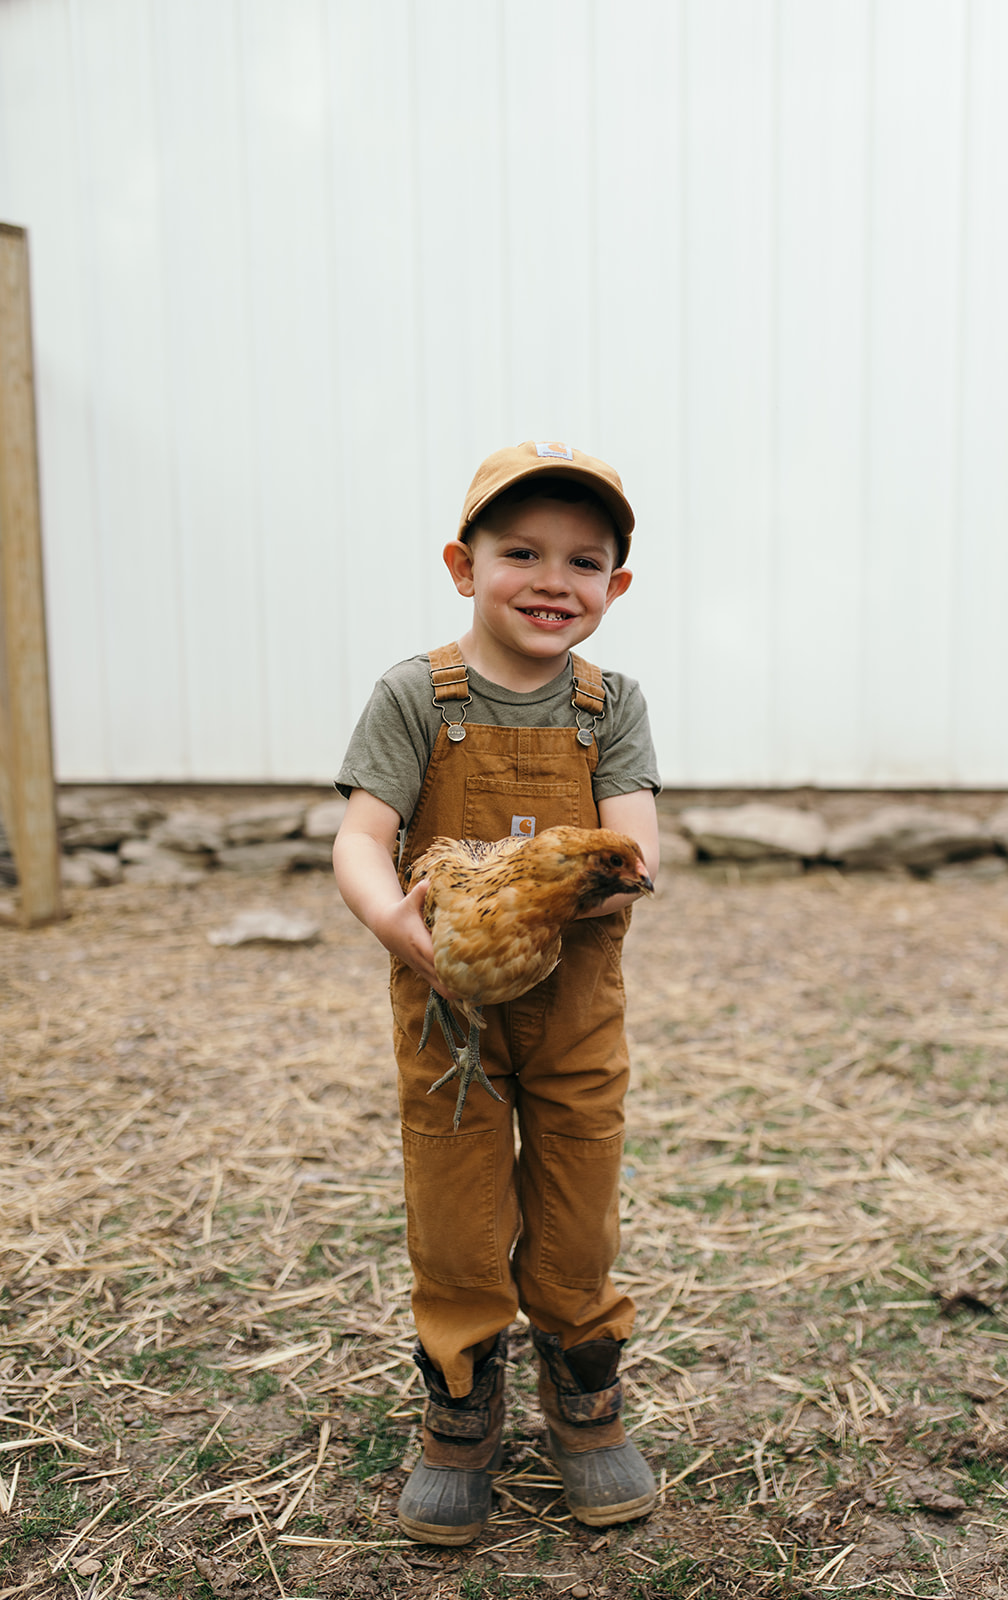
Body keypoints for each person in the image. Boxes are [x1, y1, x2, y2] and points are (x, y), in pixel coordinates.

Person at [332, 440, 660, 1545]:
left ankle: (585, 1391)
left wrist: (572, 885)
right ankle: (461, 1408)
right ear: (461, 565)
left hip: (573, 1008)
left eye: (583, 559)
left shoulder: (611, 705)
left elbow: (637, 849)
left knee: (576, 1205)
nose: (550, 579)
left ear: (613, 589)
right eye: (520, 550)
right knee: (457, 1212)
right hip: (445, 1003)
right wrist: (395, 922)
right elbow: (360, 839)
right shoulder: (415, 696)